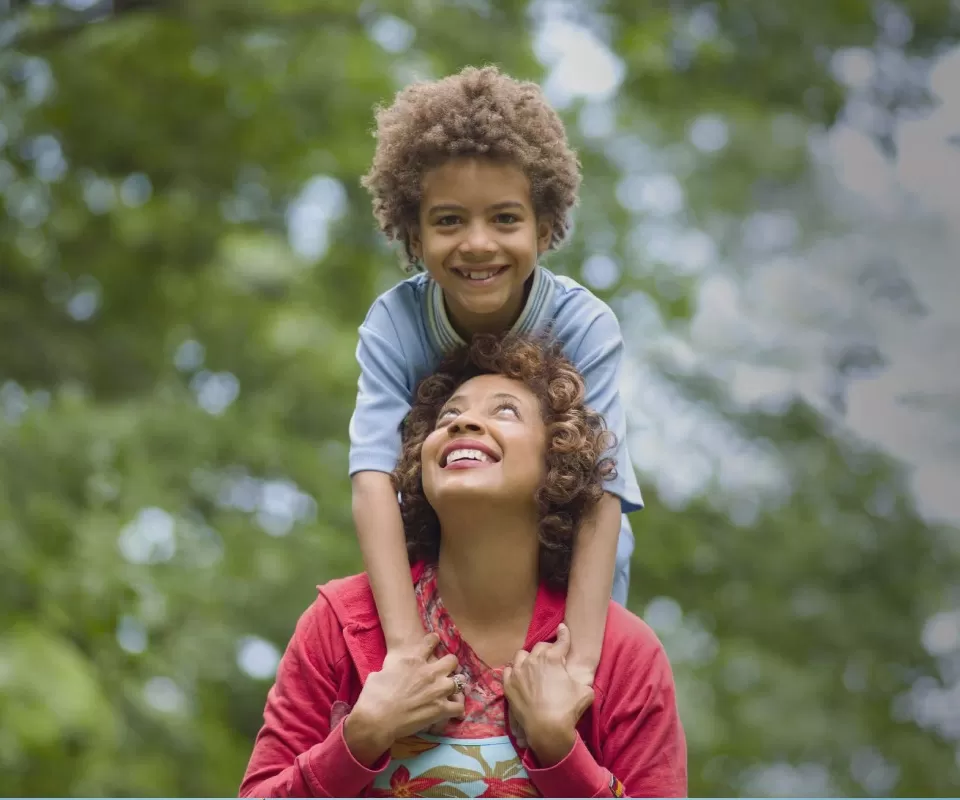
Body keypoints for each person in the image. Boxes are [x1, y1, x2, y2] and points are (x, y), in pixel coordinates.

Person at [240, 334, 686, 798]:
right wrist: (360, 737)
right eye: (448, 416)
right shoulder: (340, 624)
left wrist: (560, 750)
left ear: (560, 460)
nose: (462, 423)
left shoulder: (626, 655)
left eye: (505, 411)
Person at [351, 64, 644, 692]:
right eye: (450, 220)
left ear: (543, 227)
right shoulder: (396, 323)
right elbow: (373, 479)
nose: (478, 244)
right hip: (448, 569)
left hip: (569, 573)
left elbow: (603, 491)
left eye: (505, 220)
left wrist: (581, 666)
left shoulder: (582, 323)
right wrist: (405, 647)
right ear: (412, 233)